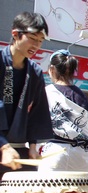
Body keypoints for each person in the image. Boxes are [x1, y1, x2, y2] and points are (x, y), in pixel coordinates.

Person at [0, 12, 53, 178]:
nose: (36, 45)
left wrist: (32, 146)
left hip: (17, 150)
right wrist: (3, 146)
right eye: (32, 38)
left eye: (40, 41)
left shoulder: (35, 72)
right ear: (15, 34)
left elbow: (38, 112)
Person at [38, 49, 88, 174]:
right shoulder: (81, 95)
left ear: (52, 69)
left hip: (55, 151)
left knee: (50, 192)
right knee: (79, 192)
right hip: (81, 153)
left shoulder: (46, 91)